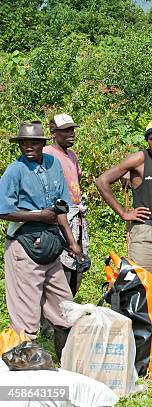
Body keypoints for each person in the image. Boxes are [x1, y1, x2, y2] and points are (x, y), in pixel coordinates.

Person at [0, 121, 83, 358]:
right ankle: (24, 371)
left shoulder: (53, 164)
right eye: (24, 142)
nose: (28, 147)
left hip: (50, 242)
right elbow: (2, 209)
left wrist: (72, 243)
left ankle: (68, 364)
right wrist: (38, 215)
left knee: (65, 308)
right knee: (26, 311)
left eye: (34, 142)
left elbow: (61, 207)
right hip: (24, 244)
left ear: (42, 144)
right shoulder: (15, 170)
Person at [96, 118, 152, 277]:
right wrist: (124, 213)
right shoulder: (139, 159)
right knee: (142, 284)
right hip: (145, 232)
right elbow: (102, 181)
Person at [43, 113, 89, 296]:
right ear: (53, 132)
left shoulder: (71, 155)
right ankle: (55, 314)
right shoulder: (47, 153)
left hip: (75, 215)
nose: (71, 134)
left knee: (77, 263)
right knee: (61, 263)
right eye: (65, 131)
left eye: (72, 130)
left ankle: (67, 308)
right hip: (60, 217)